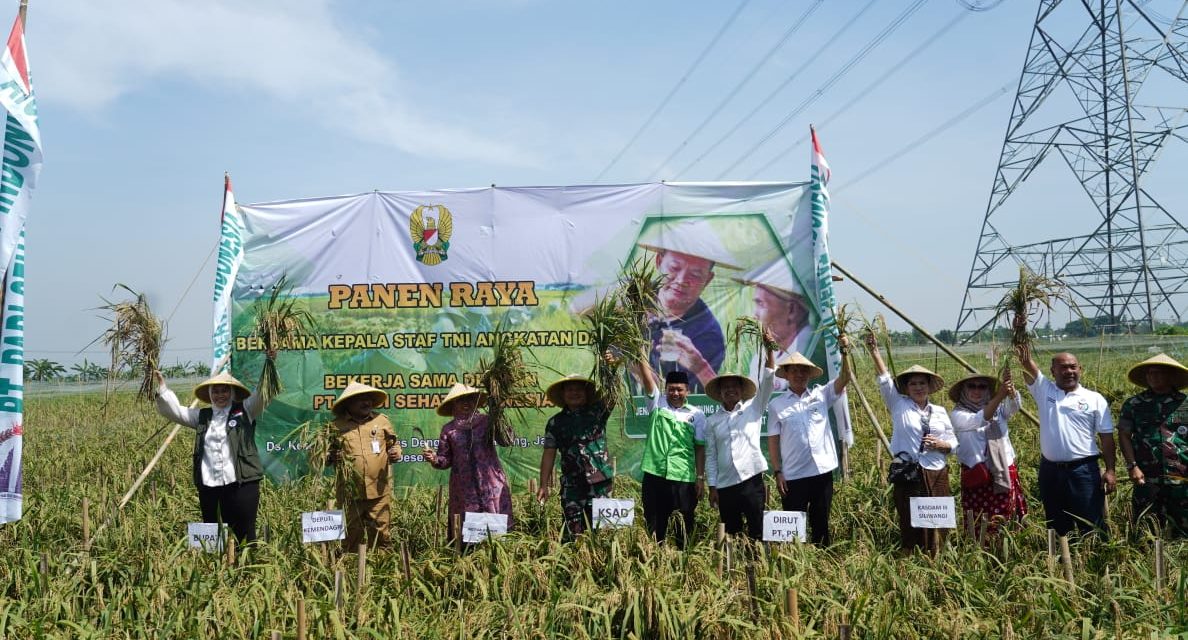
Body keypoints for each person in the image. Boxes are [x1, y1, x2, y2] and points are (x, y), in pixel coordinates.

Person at [153, 357, 274, 544]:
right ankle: (216, 570)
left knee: (244, 532)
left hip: (242, 485)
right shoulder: (202, 416)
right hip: (210, 487)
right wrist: (162, 387)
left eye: (225, 390)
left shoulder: (246, 410)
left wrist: (270, 363)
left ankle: (246, 569)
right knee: (213, 532)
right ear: (209, 394)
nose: (220, 395)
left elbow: (262, 394)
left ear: (232, 392)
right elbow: (175, 411)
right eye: (215, 391)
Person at [1015, 317, 1115, 536]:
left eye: (1073, 367)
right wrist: (1020, 329)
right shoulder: (1045, 390)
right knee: (1057, 523)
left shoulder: (1094, 398)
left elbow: (1107, 437)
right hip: (1051, 471)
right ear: (1053, 371)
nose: (1069, 371)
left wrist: (1110, 470)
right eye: (1063, 368)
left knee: (1091, 522)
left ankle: (1093, 561)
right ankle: (1060, 563)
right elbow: (1024, 360)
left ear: (1080, 369)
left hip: (1084, 470)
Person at [864, 333, 957, 554]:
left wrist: (942, 445)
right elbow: (885, 379)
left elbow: (953, 442)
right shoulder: (899, 405)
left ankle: (938, 555)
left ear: (929, 386)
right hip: (910, 472)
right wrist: (874, 351)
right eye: (913, 383)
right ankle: (913, 557)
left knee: (938, 519)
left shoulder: (940, 411)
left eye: (922, 383)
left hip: (937, 472)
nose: (918, 387)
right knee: (911, 519)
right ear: (906, 387)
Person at [637, 219, 743, 393]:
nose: (681, 281)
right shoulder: (636, 297)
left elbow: (695, 397)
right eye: (674, 267)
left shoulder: (708, 334)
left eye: (694, 275)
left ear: (707, 280)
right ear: (658, 261)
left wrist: (699, 367)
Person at [765, 341, 851, 546]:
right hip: (794, 475)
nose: (799, 375)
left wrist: (845, 351)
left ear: (809, 374)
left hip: (822, 473)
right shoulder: (777, 405)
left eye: (803, 371)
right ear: (786, 374)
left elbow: (846, 378)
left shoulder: (821, 394)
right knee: (794, 528)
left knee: (821, 521)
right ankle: (795, 566)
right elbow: (773, 440)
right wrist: (778, 471)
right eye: (794, 371)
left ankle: (823, 564)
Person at [704, 329, 776, 541]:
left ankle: (757, 571)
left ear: (741, 390)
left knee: (757, 531)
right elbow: (711, 456)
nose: (730, 390)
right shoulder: (712, 421)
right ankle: (733, 572)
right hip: (725, 487)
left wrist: (769, 348)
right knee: (731, 535)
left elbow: (769, 380)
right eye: (725, 388)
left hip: (751, 481)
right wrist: (712, 486)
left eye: (734, 386)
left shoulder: (753, 409)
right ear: (720, 393)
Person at [423, 383, 514, 540]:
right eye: (461, 400)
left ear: (475, 402)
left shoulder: (487, 422)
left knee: (497, 533)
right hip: (464, 490)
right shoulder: (448, 430)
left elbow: (506, 440)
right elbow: (444, 460)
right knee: (469, 536)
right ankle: (468, 561)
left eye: (470, 399)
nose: (466, 403)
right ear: (453, 404)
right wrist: (434, 459)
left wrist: (498, 414)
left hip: (491, 484)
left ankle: (499, 560)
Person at [636, 360, 706, 548]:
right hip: (655, 475)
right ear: (665, 390)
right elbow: (647, 379)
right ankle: (655, 568)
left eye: (680, 390)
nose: (675, 393)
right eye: (671, 389)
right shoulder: (656, 405)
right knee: (654, 526)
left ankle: (683, 569)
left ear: (687, 391)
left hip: (683, 477)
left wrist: (700, 477)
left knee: (683, 528)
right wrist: (640, 352)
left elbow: (700, 448)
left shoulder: (697, 415)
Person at [949, 371, 1027, 538]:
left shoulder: (999, 409)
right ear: (964, 390)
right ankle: (981, 550)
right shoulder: (958, 415)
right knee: (979, 518)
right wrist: (999, 396)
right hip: (978, 473)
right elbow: (982, 418)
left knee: (1005, 514)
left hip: (1002, 469)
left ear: (987, 390)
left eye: (982, 387)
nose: (977, 391)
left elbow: (1013, 407)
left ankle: (1006, 548)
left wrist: (1011, 392)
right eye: (972, 386)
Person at [1118, 353, 1188, 536]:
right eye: (1149, 373)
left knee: (1183, 529)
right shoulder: (1134, 404)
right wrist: (1132, 466)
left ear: (1170, 376)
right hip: (1146, 475)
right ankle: (1148, 561)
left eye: (1158, 372)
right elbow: (1124, 435)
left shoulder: (1184, 403)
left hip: (1181, 476)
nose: (1153, 376)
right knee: (1146, 528)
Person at [537, 374, 613, 542]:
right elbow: (549, 453)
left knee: (604, 534)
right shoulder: (555, 423)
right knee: (572, 536)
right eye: (570, 390)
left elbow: (613, 392)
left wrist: (611, 368)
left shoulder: (598, 412)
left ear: (586, 394)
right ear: (563, 395)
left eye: (579, 390)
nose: (575, 393)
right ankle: (575, 566)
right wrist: (543, 485)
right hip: (572, 487)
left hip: (600, 484)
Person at [327, 381, 401, 551]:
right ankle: (352, 571)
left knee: (382, 534)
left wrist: (397, 452)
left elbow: (394, 446)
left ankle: (383, 572)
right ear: (348, 403)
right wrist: (331, 456)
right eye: (360, 399)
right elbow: (322, 457)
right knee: (351, 535)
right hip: (349, 493)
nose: (366, 402)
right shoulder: (335, 427)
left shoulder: (381, 421)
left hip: (379, 490)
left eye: (368, 399)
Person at [735, 259, 813, 391]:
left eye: (760, 304)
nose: (755, 315)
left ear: (792, 310)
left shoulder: (811, 349)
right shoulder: (759, 359)